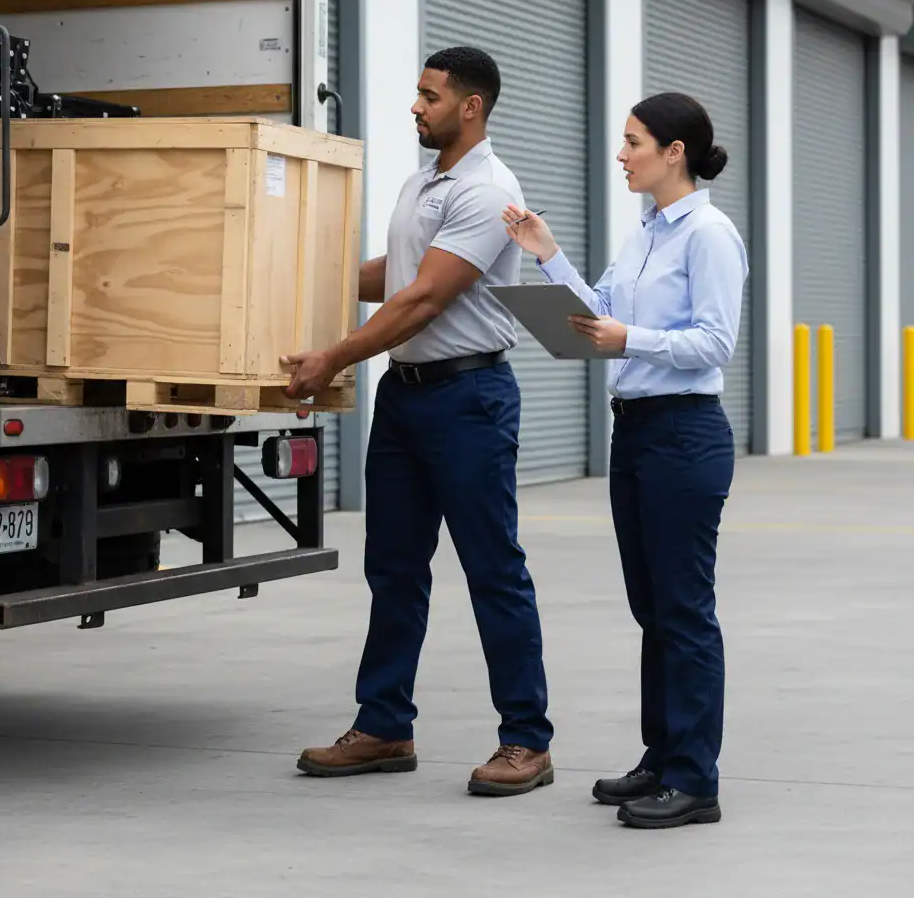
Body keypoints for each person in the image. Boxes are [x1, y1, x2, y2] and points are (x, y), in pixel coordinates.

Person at [282, 45, 554, 797]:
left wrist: (334, 356)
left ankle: (526, 740)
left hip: (468, 401)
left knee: (493, 570)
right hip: (406, 399)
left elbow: (425, 298)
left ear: (471, 106)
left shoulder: (489, 191)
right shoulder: (423, 182)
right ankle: (384, 725)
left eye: (429, 96)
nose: (415, 106)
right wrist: (295, 272)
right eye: (418, 93)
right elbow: (393, 275)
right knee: (394, 568)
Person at [502, 92, 748, 829]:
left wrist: (628, 341)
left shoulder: (708, 234)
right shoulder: (645, 232)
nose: (621, 154)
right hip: (636, 432)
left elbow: (716, 343)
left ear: (674, 152)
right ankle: (662, 758)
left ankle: (695, 780)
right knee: (652, 608)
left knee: (684, 609)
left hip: (684, 434)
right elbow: (598, 314)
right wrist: (548, 254)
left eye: (633, 141)